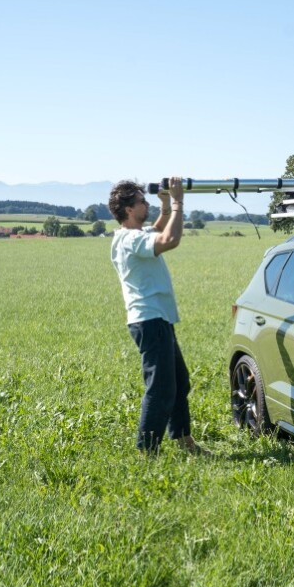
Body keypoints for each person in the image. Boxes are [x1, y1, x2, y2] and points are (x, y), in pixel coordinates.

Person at [108, 177, 211, 456]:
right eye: (142, 201)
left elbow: (155, 230)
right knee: (161, 388)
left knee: (179, 380)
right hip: (150, 320)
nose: (146, 204)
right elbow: (169, 239)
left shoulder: (127, 237)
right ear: (129, 209)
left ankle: (184, 441)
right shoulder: (131, 238)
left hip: (157, 319)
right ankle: (147, 452)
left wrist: (165, 207)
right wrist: (178, 202)